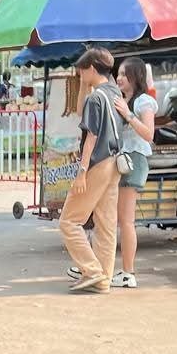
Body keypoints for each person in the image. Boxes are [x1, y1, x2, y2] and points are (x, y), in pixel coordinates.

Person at [58, 47, 121, 292]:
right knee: (105, 224)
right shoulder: (113, 93)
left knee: (69, 221)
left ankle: (92, 271)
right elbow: (80, 110)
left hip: (97, 163)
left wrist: (82, 171)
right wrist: (86, 84)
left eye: (82, 72)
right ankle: (102, 280)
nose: (79, 75)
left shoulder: (96, 99)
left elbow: (91, 137)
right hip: (115, 163)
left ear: (92, 69)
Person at [112, 56, 156, 288]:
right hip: (120, 162)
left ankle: (128, 273)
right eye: (118, 73)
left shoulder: (143, 101)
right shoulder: (122, 100)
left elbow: (149, 133)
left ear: (135, 77)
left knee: (126, 220)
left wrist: (127, 114)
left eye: (123, 74)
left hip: (134, 160)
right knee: (115, 219)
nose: (119, 78)